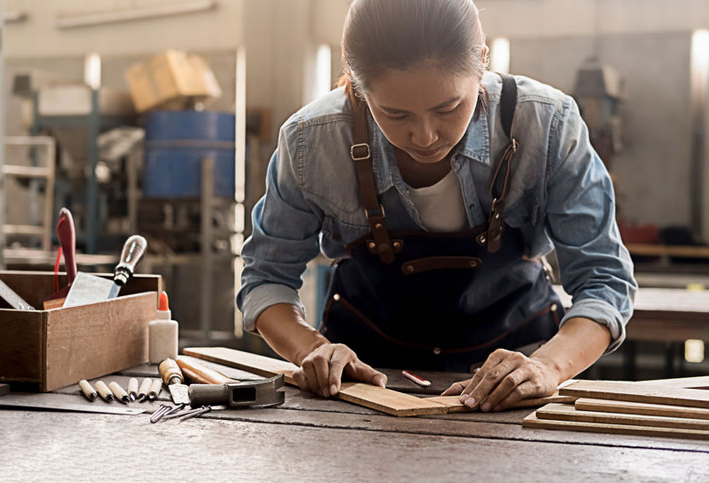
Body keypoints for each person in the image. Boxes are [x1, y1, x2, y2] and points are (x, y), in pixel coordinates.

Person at [237, 0, 637, 412]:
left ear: (482, 62)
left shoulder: (547, 126)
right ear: (357, 86)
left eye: (447, 108)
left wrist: (547, 368)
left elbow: (604, 281)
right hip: (365, 390)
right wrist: (311, 351)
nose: (425, 136)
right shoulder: (311, 142)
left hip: (519, 381)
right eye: (394, 114)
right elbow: (266, 277)